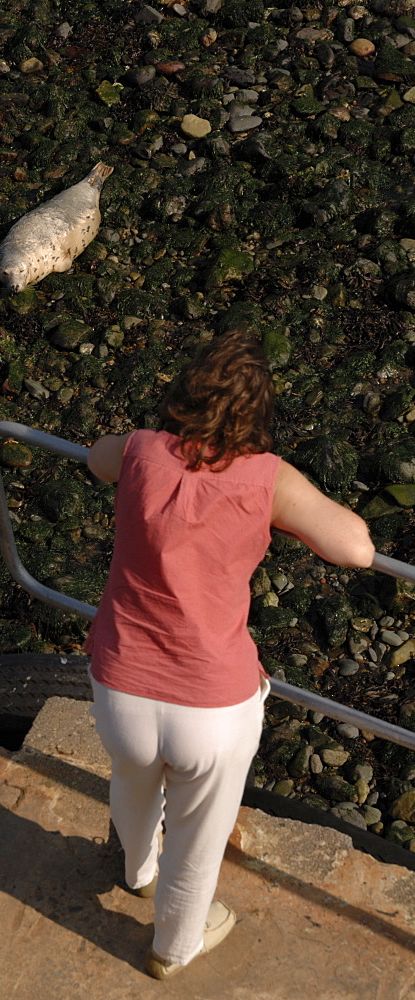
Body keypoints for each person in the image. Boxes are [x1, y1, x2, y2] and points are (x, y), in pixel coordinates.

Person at [84, 331, 374, 980]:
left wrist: (144, 449)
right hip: (211, 706)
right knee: (199, 836)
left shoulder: (139, 451)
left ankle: (136, 871)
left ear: (183, 395)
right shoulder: (265, 479)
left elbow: (93, 458)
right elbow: (354, 547)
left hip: (122, 688)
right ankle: (173, 946)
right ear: (258, 418)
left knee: (132, 782)